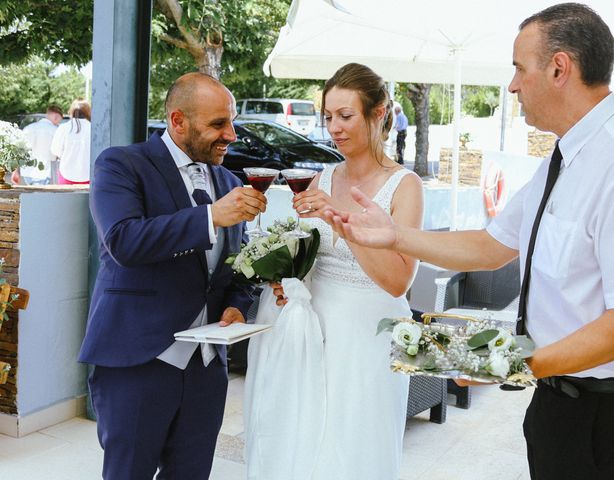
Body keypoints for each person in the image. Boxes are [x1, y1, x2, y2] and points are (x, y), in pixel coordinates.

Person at [326, 4, 614, 480]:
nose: (512, 85)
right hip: (560, 406)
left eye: (518, 68)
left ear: (559, 68)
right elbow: (493, 245)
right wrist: (396, 237)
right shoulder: (566, 155)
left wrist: (506, 363)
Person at [78, 73, 267, 480]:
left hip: (205, 371)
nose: (230, 135)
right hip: (137, 360)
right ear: (178, 121)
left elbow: (240, 264)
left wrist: (238, 305)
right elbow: (123, 241)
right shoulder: (120, 164)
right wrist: (211, 216)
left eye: (231, 122)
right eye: (218, 124)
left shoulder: (229, 181)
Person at [264, 63, 424, 479]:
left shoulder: (405, 186)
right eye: (328, 117)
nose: (334, 127)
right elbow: (310, 252)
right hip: (313, 328)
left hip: (371, 334)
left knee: (356, 450)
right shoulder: (323, 176)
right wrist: (288, 279)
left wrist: (341, 217)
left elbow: (398, 281)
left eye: (346, 116)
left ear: (378, 113)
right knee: (304, 447)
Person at [12, 105, 63, 185]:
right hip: (45, 172)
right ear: (56, 116)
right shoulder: (55, 131)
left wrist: (15, 171)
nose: (58, 123)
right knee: (43, 197)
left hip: (27, 172)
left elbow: (19, 151)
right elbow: (58, 152)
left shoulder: (28, 128)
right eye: (59, 121)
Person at [51, 99, 91, 184]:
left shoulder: (63, 128)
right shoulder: (94, 128)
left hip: (67, 174)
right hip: (89, 175)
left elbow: (55, 150)